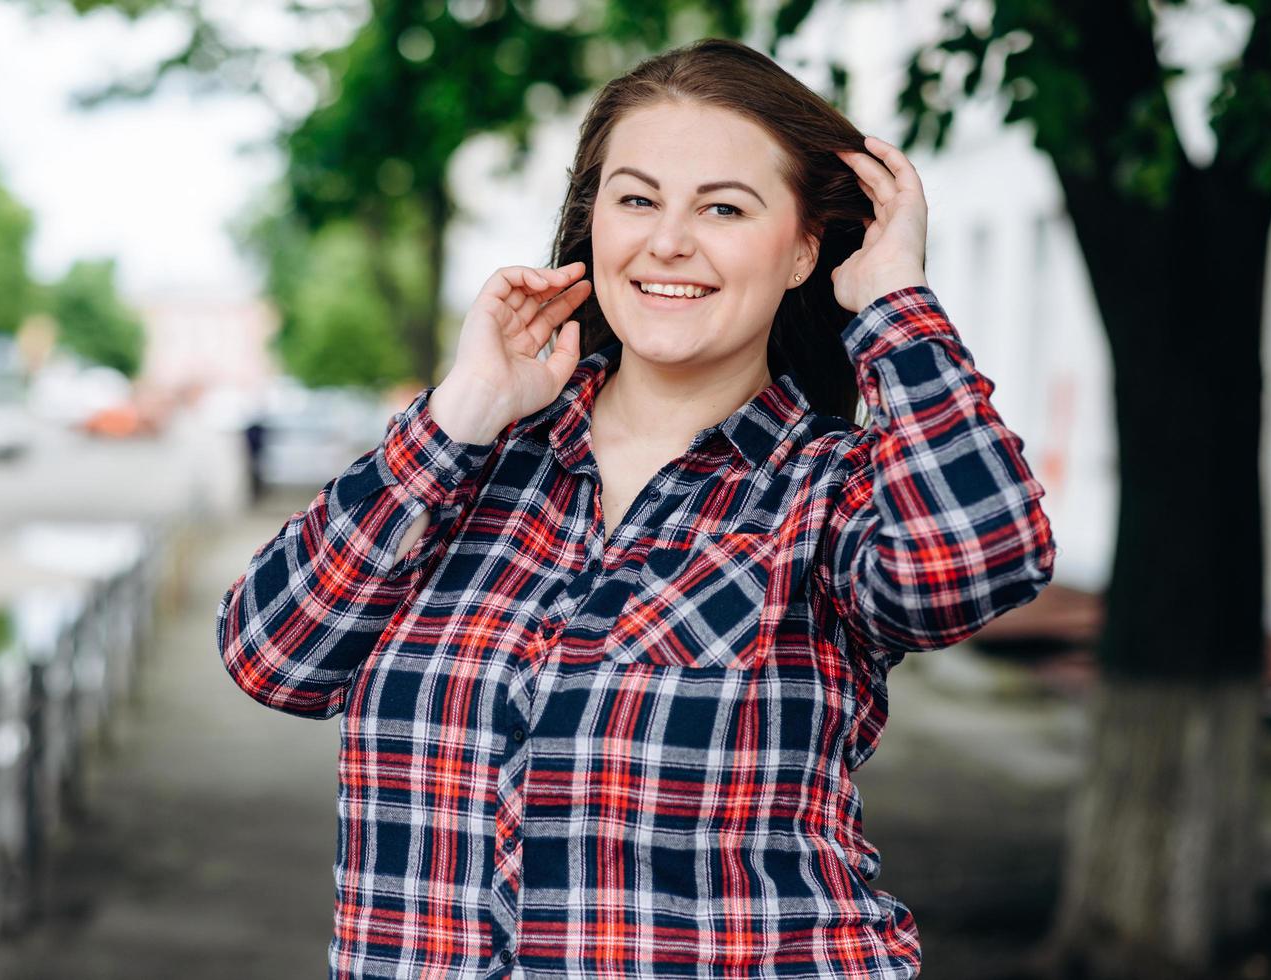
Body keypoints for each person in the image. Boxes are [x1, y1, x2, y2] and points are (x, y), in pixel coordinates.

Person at [216, 36, 1056, 980]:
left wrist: (893, 304)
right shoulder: (467, 465)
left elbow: (977, 562)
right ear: (595, 224)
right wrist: (460, 413)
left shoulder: (829, 489)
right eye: (637, 198)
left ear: (802, 252)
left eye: (724, 208)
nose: (667, 241)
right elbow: (272, 656)